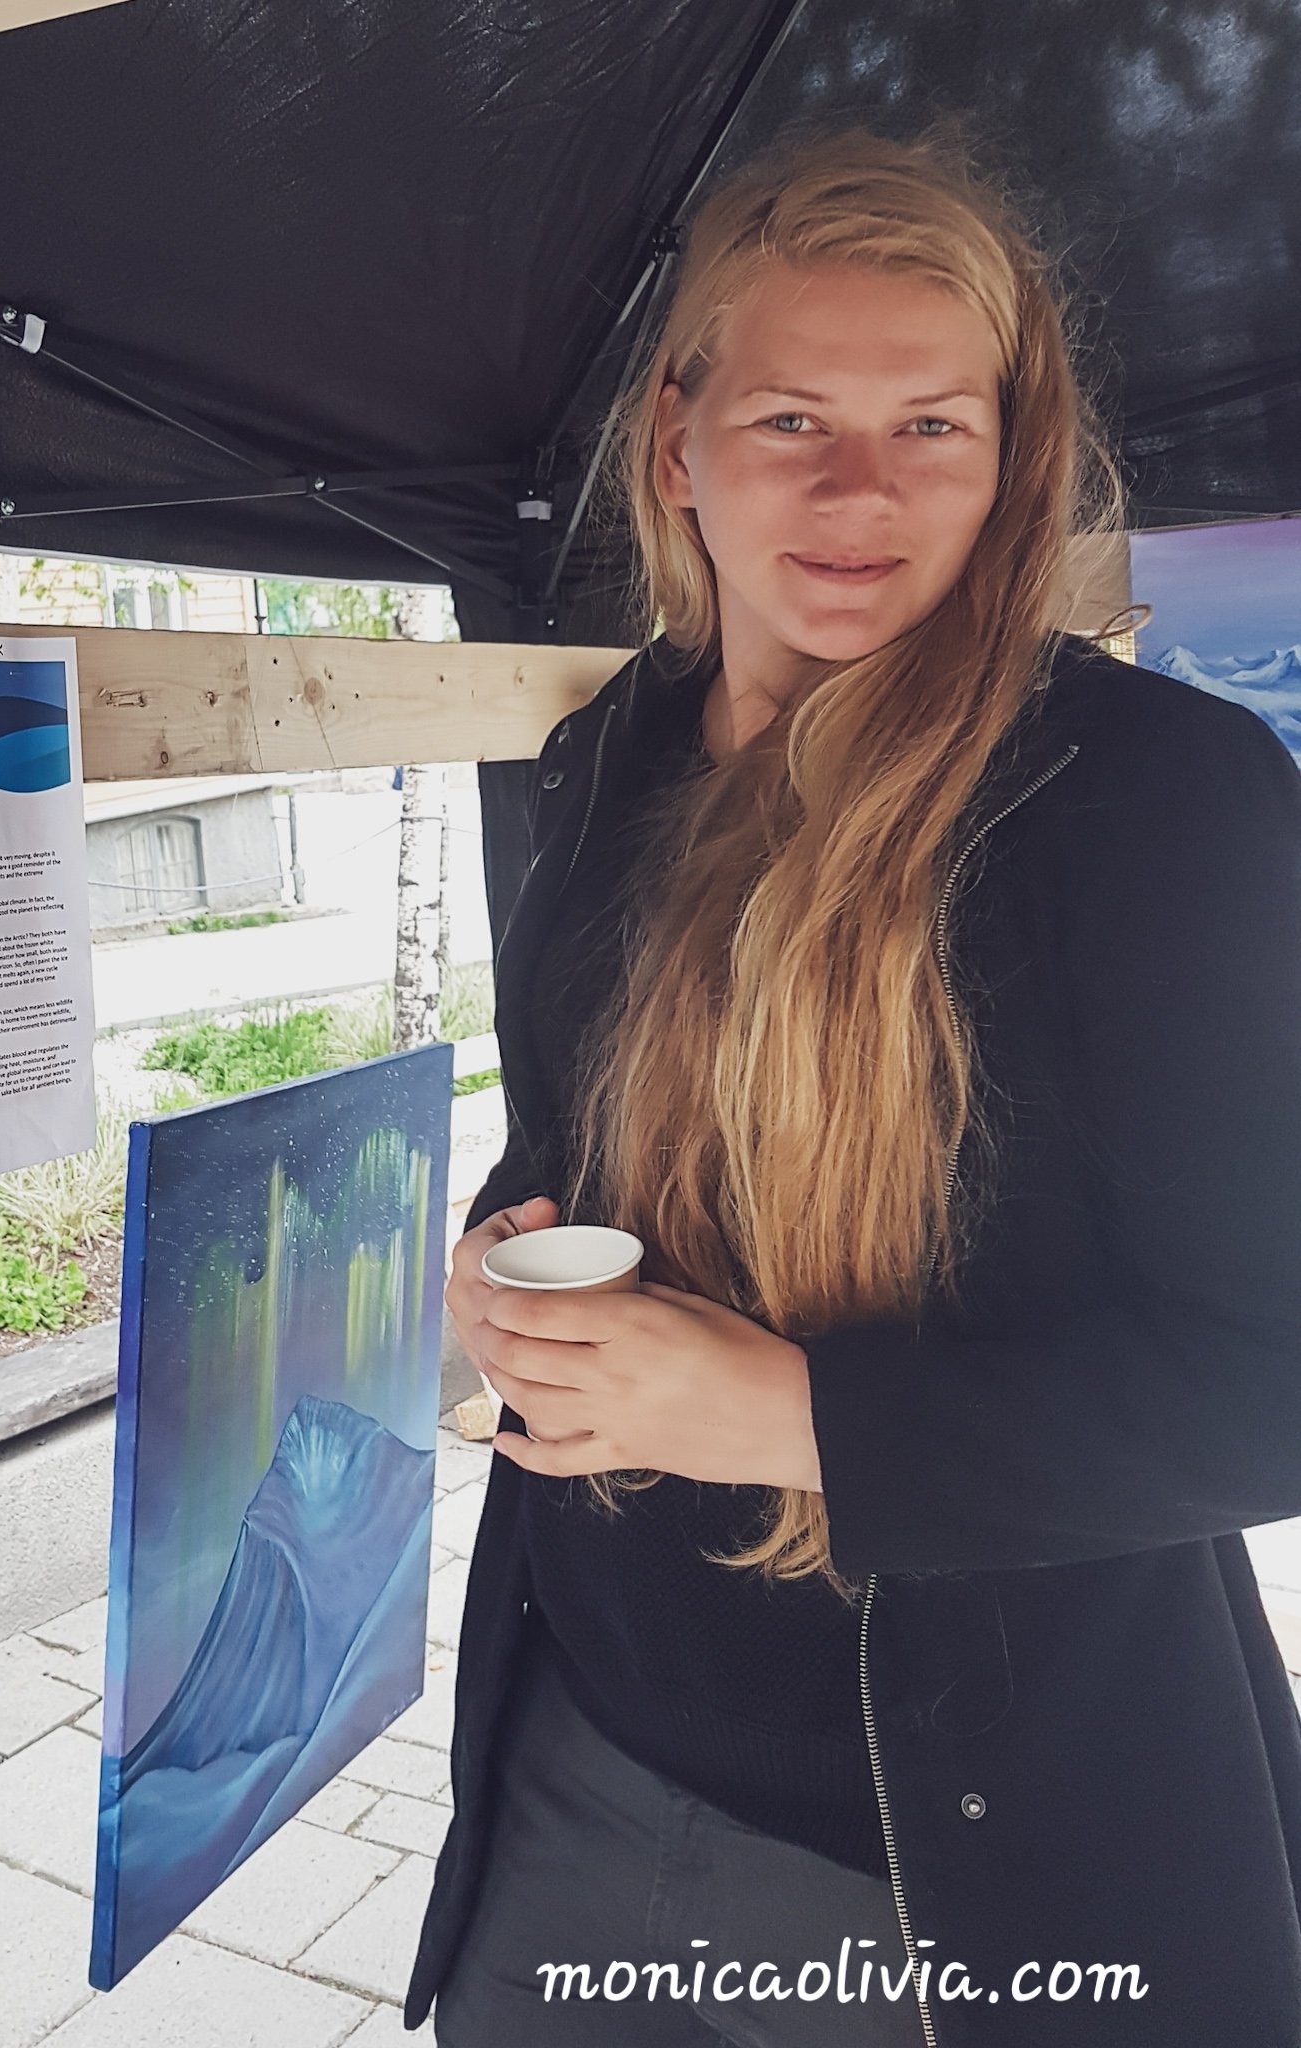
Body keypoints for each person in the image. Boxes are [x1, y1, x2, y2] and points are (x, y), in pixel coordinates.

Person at [401, 119, 1301, 2048]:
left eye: (930, 427)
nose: (858, 492)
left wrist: (793, 1415)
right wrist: (502, 1259)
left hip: (957, 1859)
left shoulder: (1153, 805)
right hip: (574, 1763)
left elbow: (1273, 1379)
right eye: (792, 418)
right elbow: (571, 1134)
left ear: (1008, 458)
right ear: (678, 445)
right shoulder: (600, 760)